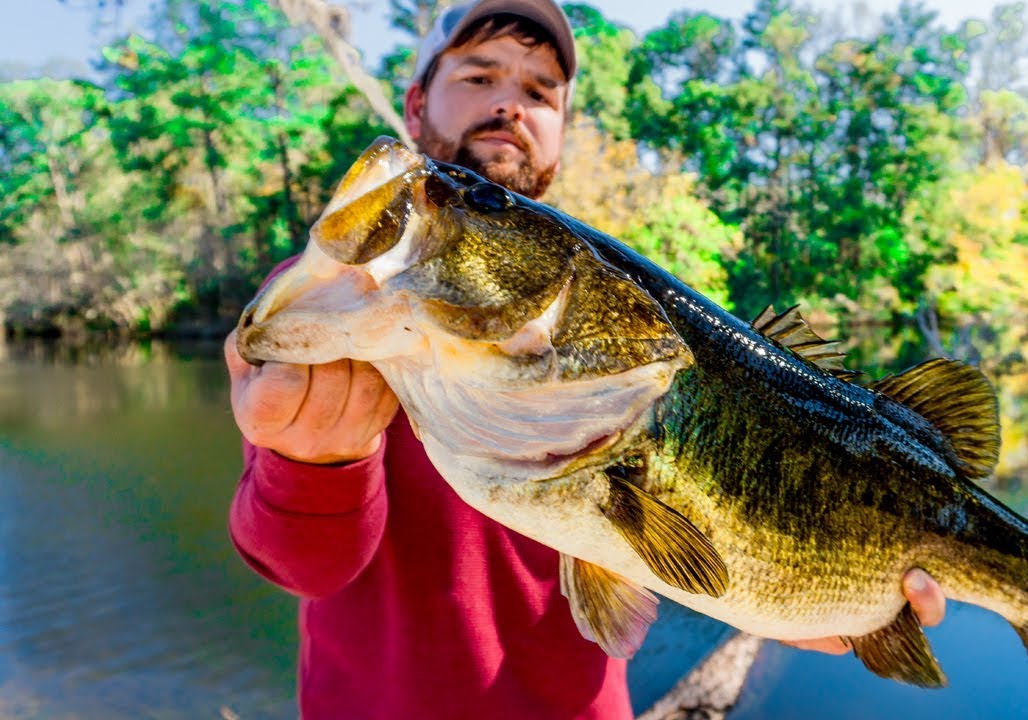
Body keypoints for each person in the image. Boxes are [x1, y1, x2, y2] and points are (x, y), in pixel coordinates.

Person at [223, 1, 948, 717]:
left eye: (540, 91)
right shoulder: (341, 298)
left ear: (560, 136)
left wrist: (784, 592)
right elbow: (302, 568)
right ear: (415, 106)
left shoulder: (631, 309)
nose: (510, 103)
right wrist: (311, 464)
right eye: (479, 77)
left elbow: (676, 538)